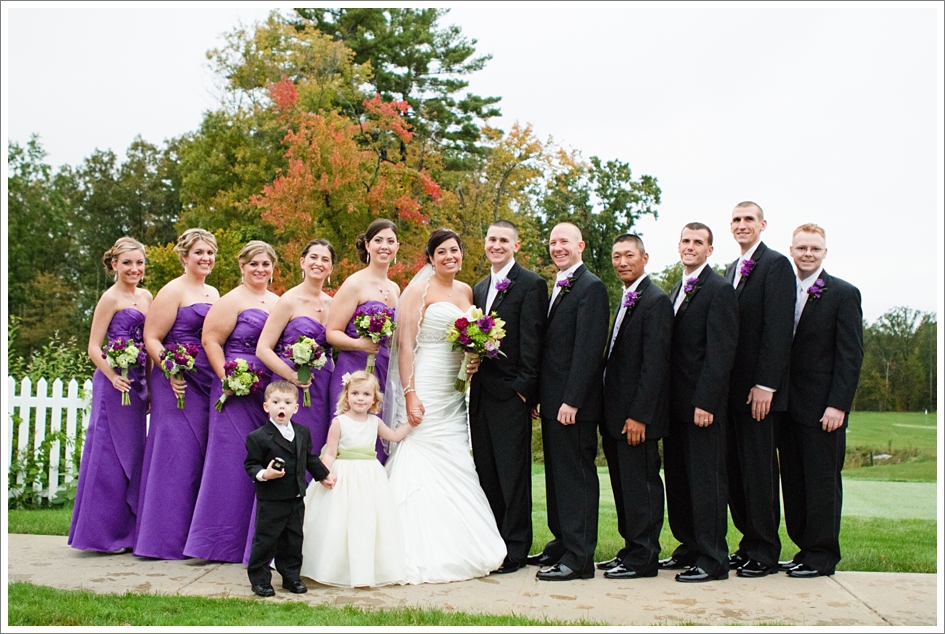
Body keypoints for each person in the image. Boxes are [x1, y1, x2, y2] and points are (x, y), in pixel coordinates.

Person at [384, 228, 507, 584]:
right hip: (426, 381)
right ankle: (411, 546)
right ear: (431, 258)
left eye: (455, 250)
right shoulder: (417, 292)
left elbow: (469, 340)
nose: (450, 256)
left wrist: (474, 358)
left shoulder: (467, 291)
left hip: (455, 391)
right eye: (442, 252)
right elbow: (405, 347)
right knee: (420, 450)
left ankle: (461, 543)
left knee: (455, 455)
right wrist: (409, 392)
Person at [184, 241, 280, 563]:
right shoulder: (231, 300)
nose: (260, 269)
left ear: (273, 269)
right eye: (253, 263)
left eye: (265, 264)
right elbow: (210, 340)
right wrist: (227, 378)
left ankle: (251, 540)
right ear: (241, 267)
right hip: (233, 390)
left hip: (266, 390)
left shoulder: (278, 302)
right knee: (228, 461)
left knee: (260, 462)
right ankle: (214, 544)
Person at [778, 223, 863, 578]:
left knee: (822, 483)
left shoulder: (843, 293)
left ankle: (822, 555)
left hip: (823, 409)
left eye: (814, 248)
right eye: (801, 248)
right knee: (795, 483)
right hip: (787, 407)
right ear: (792, 251)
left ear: (824, 252)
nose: (808, 254)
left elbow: (850, 355)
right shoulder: (783, 292)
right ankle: (803, 548)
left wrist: (839, 405)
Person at [527, 222, 610, 581]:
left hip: (573, 405)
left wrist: (572, 400)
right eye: (552, 242)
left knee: (576, 477)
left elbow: (589, 351)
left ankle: (579, 558)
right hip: (552, 401)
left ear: (581, 245)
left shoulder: (591, 287)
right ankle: (562, 542)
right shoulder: (558, 287)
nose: (557, 247)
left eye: (564, 242)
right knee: (558, 476)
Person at [660, 222, 738, 583]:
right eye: (685, 241)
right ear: (679, 246)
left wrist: (706, 402)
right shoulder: (678, 287)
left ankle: (712, 559)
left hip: (702, 407)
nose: (690, 247)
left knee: (707, 483)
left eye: (698, 242)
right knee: (680, 481)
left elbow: (720, 353)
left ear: (710, 249)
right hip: (675, 406)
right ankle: (689, 547)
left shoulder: (719, 290)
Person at [135, 228, 219, 560]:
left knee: (198, 455)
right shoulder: (173, 290)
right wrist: (171, 370)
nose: (206, 258)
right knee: (175, 454)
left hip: (205, 379)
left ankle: (192, 537)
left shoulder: (214, 293)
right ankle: (162, 540)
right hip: (176, 380)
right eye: (199, 252)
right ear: (184, 256)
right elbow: (152, 338)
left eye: (210, 253)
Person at [469, 220, 546, 574]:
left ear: (516, 245)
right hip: (480, 395)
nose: (496, 245)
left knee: (513, 475)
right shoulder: (479, 287)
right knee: (487, 473)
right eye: (491, 239)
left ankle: (516, 549)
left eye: (503, 240)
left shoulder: (531, 284)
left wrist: (522, 392)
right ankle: (494, 543)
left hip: (510, 396)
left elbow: (533, 343)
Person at [723, 201, 796, 578]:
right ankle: (747, 542)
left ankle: (765, 550)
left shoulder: (776, 265)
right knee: (736, 473)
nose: (741, 225)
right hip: (731, 393)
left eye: (748, 219)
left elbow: (778, 330)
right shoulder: (731, 269)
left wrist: (766, 384)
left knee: (759, 472)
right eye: (736, 219)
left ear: (763, 224)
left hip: (760, 393)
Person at [69, 237, 153, 553]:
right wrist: (114, 376)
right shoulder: (110, 298)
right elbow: (93, 347)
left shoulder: (147, 297)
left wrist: (149, 389)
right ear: (114, 264)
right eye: (128, 263)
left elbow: (150, 342)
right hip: (114, 384)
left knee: (133, 454)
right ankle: (101, 535)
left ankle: (129, 532)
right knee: (109, 455)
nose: (134, 268)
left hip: (139, 382)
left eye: (139, 263)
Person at [597, 234, 673, 580]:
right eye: (617, 256)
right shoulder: (629, 297)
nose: (622, 262)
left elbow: (654, 364)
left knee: (641, 487)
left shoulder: (655, 301)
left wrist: (640, 415)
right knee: (625, 487)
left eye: (629, 255)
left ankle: (644, 557)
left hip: (637, 418)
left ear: (645, 258)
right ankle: (630, 549)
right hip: (615, 415)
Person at [301, 371, 412, 587]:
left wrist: (412, 424)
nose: (360, 398)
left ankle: (365, 568)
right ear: (346, 395)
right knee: (337, 519)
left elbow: (395, 436)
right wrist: (325, 474)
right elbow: (331, 452)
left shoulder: (375, 422)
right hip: (343, 475)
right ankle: (332, 567)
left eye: (366, 394)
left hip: (370, 477)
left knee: (365, 520)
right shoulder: (339, 422)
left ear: (374, 399)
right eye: (355, 393)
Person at [244, 381, 334, 597]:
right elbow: (251, 464)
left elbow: (309, 458)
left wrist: (323, 475)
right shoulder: (258, 437)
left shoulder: (302, 432)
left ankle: (291, 576)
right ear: (267, 407)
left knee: (293, 540)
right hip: (272, 499)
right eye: (275, 402)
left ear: (295, 407)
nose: (281, 407)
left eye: (287, 402)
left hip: (295, 497)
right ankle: (260, 580)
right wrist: (265, 474)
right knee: (266, 540)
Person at [326, 219, 401, 464]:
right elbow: (332, 332)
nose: (384, 246)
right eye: (378, 240)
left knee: (374, 437)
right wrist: (361, 344)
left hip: (382, 370)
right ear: (367, 245)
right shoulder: (354, 283)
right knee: (348, 439)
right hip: (352, 369)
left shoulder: (395, 289)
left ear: (397, 247)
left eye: (390, 241)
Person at [257, 240, 335, 456]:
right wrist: (291, 375)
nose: (318, 263)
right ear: (302, 262)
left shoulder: (333, 304)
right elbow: (263, 348)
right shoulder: (289, 301)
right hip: (289, 386)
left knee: (315, 447)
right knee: (287, 449)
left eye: (325, 259)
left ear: (331, 268)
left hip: (322, 384)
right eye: (313, 257)